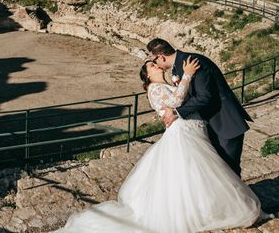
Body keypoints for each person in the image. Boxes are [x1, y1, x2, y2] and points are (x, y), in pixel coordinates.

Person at [58, 58, 262, 233]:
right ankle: (199, 211)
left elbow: (180, 99)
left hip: (193, 129)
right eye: (151, 66)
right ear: (146, 76)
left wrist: (179, 81)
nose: (156, 66)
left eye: (155, 63)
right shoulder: (154, 88)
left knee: (193, 173)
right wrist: (187, 76)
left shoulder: (165, 84)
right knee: (194, 170)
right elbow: (175, 100)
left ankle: (202, 209)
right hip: (183, 132)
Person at [149, 38, 252, 176]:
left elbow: (204, 97)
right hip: (208, 124)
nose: (156, 65)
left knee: (230, 169)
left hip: (224, 122)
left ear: (160, 57)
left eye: (154, 61)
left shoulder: (193, 62)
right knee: (217, 170)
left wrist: (176, 112)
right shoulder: (179, 66)